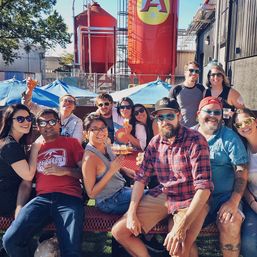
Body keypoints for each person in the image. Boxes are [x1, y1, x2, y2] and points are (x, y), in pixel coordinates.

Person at [111, 97, 213, 257]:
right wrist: (131, 213)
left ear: (178, 116)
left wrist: (180, 228)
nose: (165, 121)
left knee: (177, 248)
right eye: (160, 117)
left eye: (170, 116)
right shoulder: (155, 143)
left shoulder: (195, 140)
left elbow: (204, 189)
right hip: (164, 195)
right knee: (120, 231)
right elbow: (140, 179)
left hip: (191, 198)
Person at [2, 109, 85, 257]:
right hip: (42, 199)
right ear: (38, 127)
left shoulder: (72, 143)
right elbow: (26, 183)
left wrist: (65, 171)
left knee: (71, 250)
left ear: (59, 124)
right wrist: (19, 207)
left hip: (69, 198)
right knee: (10, 240)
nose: (48, 125)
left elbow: (85, 174)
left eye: (52, 121)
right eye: (43, 122)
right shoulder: (35, 149)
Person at [192, 97, 248, 257]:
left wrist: (233, 201)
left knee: (231, 222)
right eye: (208, 111)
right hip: (195, 198)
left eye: (217, 112)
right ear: (197, 114)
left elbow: (241, 170)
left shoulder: (229, 137)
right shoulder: (188, 135)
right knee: (182, 224)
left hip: (224, 198)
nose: (213, 115)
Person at [0, 104, 36, 256]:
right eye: (20, 119)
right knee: (48, 202)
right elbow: (28, 175)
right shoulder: (10, 145)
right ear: (9, 122)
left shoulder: (13, 141)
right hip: (6, 198)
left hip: (8, 192)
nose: (26, 121)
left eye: (28, 118)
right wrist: (35, 149)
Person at [82, 113, 135, 214]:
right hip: (109, 201)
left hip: (121, 191)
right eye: (95, 129)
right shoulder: (89, 158)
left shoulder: (106, 142)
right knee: (149, 198)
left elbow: (110, 164)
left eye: (103, 128)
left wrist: (124, 170)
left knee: (152, 195)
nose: (101, 132)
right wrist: (111, 171)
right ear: (86, 134)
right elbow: (91, 194)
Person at [22, 78, 83, 143]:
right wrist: (30, 90)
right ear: (59, 104)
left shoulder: (77, 121)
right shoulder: (50, 113)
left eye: (70, 101)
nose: (67, 103)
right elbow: (28, 105)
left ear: (74, 107)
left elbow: (77, 142)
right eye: (65, 100)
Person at [232, 108, 257, 257]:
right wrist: (253, 204)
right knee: (249, 244)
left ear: (255, 122)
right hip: (253, 204)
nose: (244, 126)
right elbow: (242, 182)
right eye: (239, 124)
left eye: (247, 121)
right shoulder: (241, 150)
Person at [169, 61, 205, 127]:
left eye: (196, 71)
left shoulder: (201, 89)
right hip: (181, 128)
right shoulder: (176, 89)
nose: (194, 73)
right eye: (191, 70)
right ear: (185, 72)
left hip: (198, 128)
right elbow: (170, 110)